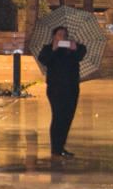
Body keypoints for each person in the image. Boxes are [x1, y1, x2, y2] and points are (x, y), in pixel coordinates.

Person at [37, 26, 87, 158]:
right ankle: (55, 148)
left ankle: (61, 147)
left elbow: (81, 54)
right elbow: (43, 59)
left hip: (72, 88)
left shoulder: (73, 48)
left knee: (67, 118)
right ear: (53, 36)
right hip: (56, 88)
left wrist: (74, 49)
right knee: (58, 116)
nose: (62, 37)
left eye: (64, 35)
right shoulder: (48, 49)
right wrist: (54, 49)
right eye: (59, 34)